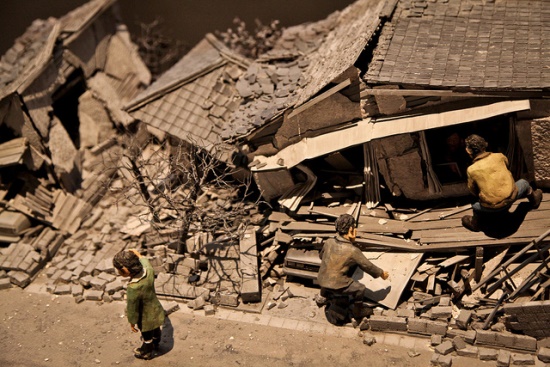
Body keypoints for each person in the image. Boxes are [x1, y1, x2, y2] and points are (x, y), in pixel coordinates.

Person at [461, 134, 543, 232]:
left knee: (474, 203)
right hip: (511, 197)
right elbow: (506, 168)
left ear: (468, 151)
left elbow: (473, 190)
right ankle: (534, 201)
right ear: (485, 145)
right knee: (524, 183)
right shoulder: (499, 156)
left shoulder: (471, 169)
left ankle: (476, 224)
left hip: (491, 207)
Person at [316, 214, 389, 312]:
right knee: (360, 289)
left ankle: (321, 298)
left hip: (322, 280)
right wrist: (381, 273)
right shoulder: (353, 250)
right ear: (351, 229)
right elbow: (367, 266)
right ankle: (358, 310)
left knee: (329, 275)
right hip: (337, 285)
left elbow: (321, 256)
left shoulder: (329, 242)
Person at [113, 249, 165, 360]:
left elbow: (132, 308)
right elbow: (145, 262)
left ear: (125, 271)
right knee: (156, 328)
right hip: (156, 308)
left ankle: (146, 351)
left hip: (145, 317)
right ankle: (157, 341)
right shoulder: (149, 271)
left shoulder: (133, 287)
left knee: (146, 334)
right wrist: (138, 254)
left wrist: (132, 321)